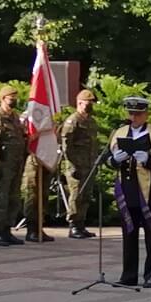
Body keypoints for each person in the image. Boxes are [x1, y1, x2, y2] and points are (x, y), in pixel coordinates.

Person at [110, 96, 151, 287]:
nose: (133, 118)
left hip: (149, 193)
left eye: (138, 114)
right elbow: (108, 159)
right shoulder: (119, 132)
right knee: (129, 235)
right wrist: (114, 160)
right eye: (131, 113)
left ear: (146, 114)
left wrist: (149, 160)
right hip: (127, 191)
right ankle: (128, 275)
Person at [0, 86, 27, 247]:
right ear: (2, 99)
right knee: (1, 199)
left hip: (16, 164)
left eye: (15, 98)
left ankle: (7, 230)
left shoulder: (15, 117)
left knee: (13, 199)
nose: (14, 101)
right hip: (3, 165)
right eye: (11, 98)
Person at [60, 88, 103, 238]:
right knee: (76, 195)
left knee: (86, 196)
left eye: (92, 102)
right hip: (76, 165)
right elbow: (66, 145)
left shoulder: (91, 121)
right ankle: (73, 225)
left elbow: (94, 144)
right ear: (79, 103)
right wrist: (73, 165)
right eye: (88, 102)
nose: (90, 105)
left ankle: (81, 224)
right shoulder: (73, 121)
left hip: (89, 165)